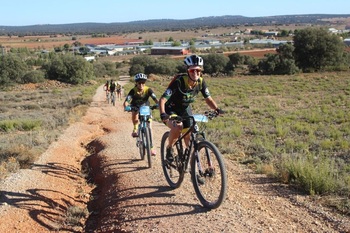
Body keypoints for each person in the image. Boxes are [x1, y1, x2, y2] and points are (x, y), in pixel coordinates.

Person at [158, 54, 223, 163]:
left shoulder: (201, 82)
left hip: (185, 109)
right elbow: (163, 99)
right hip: (170, 109)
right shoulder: (179, 81)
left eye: (198, 70)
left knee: (189, 136)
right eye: (192, 71)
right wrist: (163, 113)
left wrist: (217, 109)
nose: (195, 73)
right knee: (178, 127)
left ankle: (194, 168)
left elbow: (208, 99)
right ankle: (169, 148)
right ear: (188, 71)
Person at [123, 73, 159, 156]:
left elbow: (155, 99)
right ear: (136, 83)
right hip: (135, 105)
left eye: (143, 83)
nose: (141, 85)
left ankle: (151, 147)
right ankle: (135, 129)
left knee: (149, 127)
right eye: (139, 83)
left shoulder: (148, 90)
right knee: (134, 114)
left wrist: (158, 104)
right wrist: (126, 106)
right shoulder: (133, 90)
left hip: (145, 106)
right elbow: (127, 101)